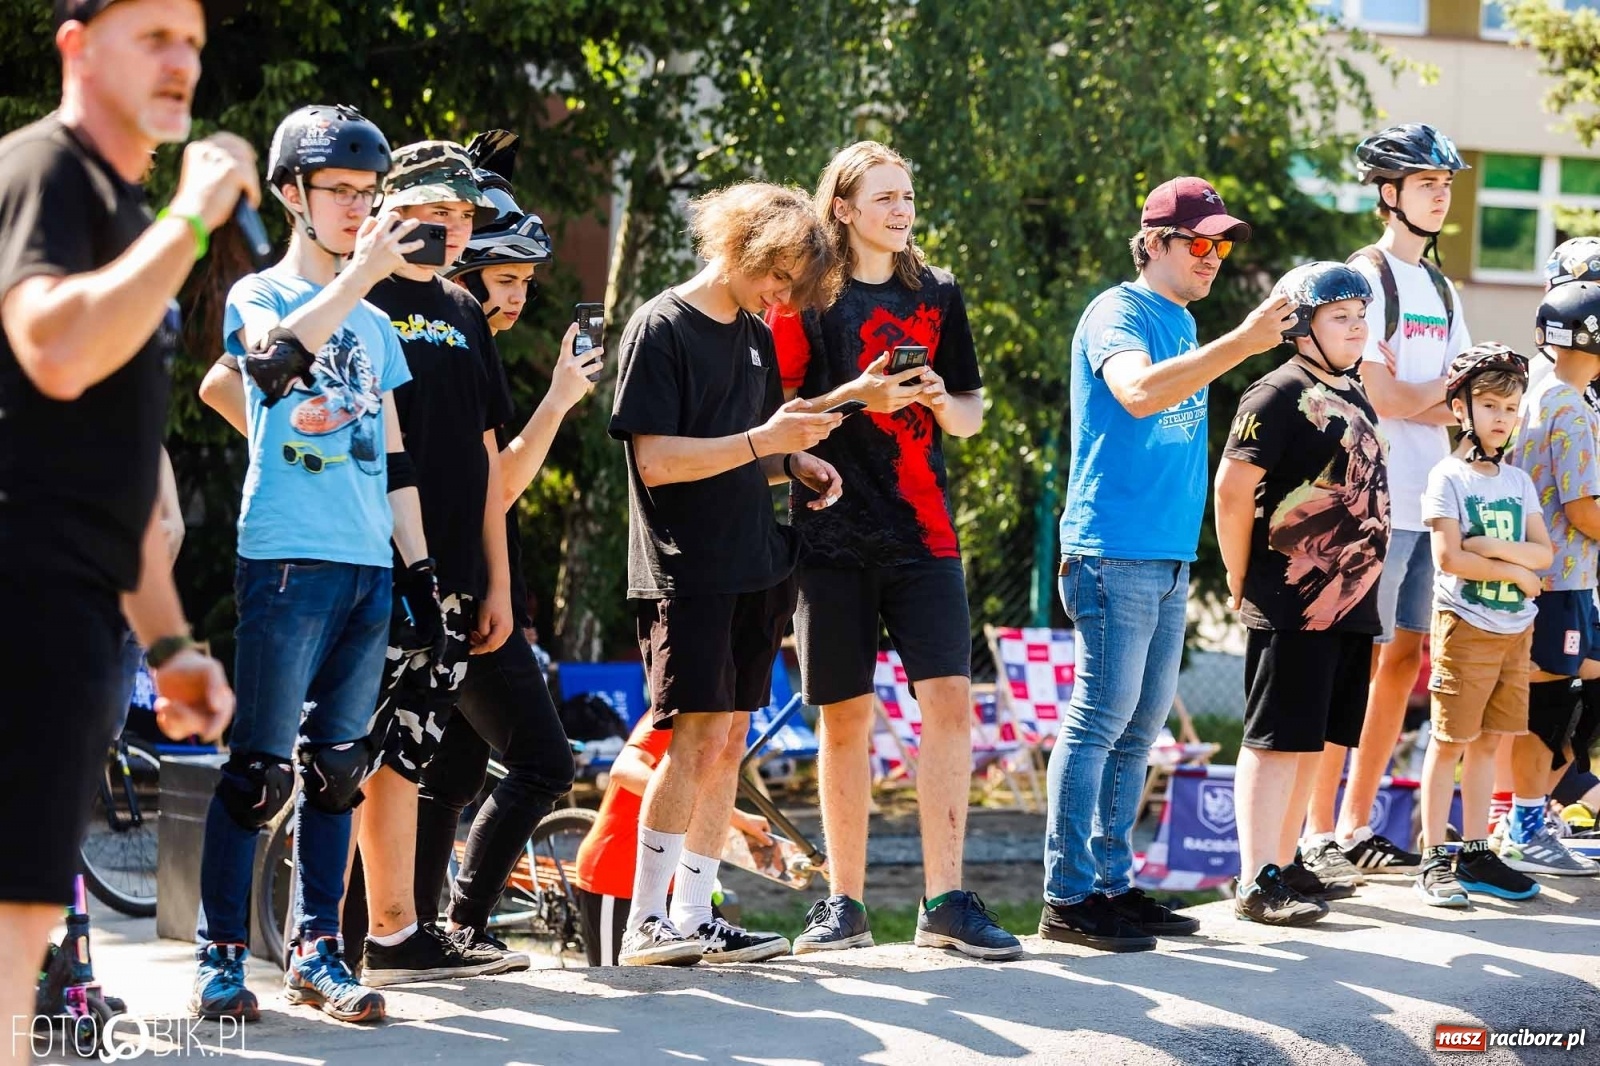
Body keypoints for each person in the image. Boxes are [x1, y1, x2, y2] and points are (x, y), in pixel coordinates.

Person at [0, 0, 249, 1048]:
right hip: (18, 595)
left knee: (21, 920)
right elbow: (51, 346)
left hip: (78, 608)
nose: (183, 61)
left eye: (191, 40)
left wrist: (172, 642)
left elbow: (117, 467)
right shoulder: (45, 169)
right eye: (153, 36)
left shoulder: (124, 214)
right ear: (76, 47)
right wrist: (192, 219)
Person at [191, 103, 437, 1025]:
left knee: (339, 767)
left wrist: (420, 574)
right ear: (292, 194)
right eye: (339, 191)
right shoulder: (260, 294)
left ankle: (317, 953)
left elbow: (397, 456)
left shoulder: (378, 329)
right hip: (287, 560)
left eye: (368, 195)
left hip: (367, 568)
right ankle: (220, 960)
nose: (357, 209)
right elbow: (268, 369)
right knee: (259, 771)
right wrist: (363, 274)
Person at [765, 141, 1017, 959]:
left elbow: (974, 412)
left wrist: (945, 402)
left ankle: (946, 899)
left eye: (907, 195)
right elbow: (780, 417)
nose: (902, 210)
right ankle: (844, 905)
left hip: (924, 529)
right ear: (841, 208)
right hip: (831, 531)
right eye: (884, 198)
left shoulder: (937, 292)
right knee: (847, 719)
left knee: (950, 702)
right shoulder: (802, 295)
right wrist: (856, 397)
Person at [1046, 175, 1293, 953]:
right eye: (1199, 242)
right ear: (1153, 243)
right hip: (1111, 548)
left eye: (1222, 244)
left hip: (1163, 553)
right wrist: (1243, 344)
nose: (1213, 256)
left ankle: (1112, 887)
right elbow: (1137, 393)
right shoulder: (1118, 312)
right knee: (1099, 722)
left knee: (1140, 728)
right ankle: (1068, 895)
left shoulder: (1182, 323)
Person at [607, 182, 845, 965]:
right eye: (779, 275)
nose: (783, 296)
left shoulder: (753, 332)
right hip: (687, 571)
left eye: (793, 287)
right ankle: (646, 918)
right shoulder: (661, 326)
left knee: (730, 741)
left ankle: (694, 912)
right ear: (743, 243)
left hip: (754, 562)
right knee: (696, 738)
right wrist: (762, 443)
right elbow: (659, 461)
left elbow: (743, 450)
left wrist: (793, 463)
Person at [412, 130, 598, 962]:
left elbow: (489, 482)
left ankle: (415, 927)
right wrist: (558, 401)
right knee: (543, 763)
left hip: (476, 585)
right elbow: (501, 483)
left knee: (446, 776)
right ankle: (454, 922)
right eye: (509, 279)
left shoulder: (463, 330)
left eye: (527, 282)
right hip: (447, 585)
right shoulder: (439, 327)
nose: (519, 298)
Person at [356, 140, 521, 985]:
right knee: (345, 756)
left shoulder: (461, 307)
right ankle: (328, 938)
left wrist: (496, 582)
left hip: (454, 577)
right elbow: (239, 393)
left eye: (465, 215)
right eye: (437, 212)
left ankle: (393, 932)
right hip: (372, 572)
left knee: (403, 759)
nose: (455, 228)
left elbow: (488, 455)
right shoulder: (353, 293)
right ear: (392, 207)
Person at [1301, 124, 1471, 885]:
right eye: (1427, 181)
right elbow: (1384, 394)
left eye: (1445, 183)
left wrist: (1427, 398)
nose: (1441, 193)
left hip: (1427, 501)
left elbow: (1466, 398)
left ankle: (1357, 824)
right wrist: (1438, 397)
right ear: (1388, 192)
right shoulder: (1363, 277)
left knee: (1401, 662)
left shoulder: (1440, 287)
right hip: (1370, 504)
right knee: (1348, 664)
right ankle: (1314, 835)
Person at [1213, 262, 1389, 925]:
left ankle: (1285, 863)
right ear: (1300, 326)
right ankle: (1256, 879)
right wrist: (1238, 574)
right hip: (1292, 598)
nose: (1356, 329)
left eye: (1361, 316)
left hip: (1351, 601)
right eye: (1340, 317)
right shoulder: (1274, 394)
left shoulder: (1355, 389)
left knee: (1311, 739)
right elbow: (1233, 491)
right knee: (1274, 740)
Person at [1414, 344, 1548, 907]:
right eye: (1490, 404)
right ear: (1461, 409)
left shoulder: (1519, 483)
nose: (1501, 418)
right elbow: (1449, 557)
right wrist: (1515, 570)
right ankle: (1434, 857)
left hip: (1515, 631)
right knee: (1449, 742)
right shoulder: (1447, 476)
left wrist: (1493, 547)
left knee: (1491, 743)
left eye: (1511, 407)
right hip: (1466, 625)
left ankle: (1474, 852)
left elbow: (1544, 555)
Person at [1501, 281, 1600, 877]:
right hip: (1558, 580)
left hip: (1559, 578)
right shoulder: (1568, 405)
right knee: (1547, 705)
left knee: (1566, 696)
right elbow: (1584, 507)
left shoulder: (1554, 395)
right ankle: (1527, 826)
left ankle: (1539, 813)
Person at [571, 715, 777, 966]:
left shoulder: (733, 716)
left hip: (679, 882)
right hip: (616, 872)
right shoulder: (687, 705)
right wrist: (737, 818)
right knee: (621, 986)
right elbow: (624, 768)